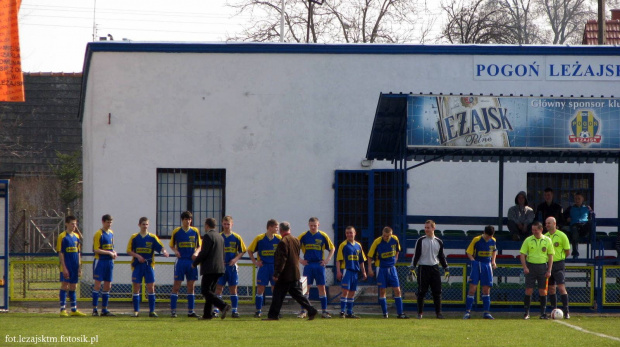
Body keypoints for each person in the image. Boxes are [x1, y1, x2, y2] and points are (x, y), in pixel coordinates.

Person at [264, 221, 318, 320]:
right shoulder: (296, 240)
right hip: (295, 273)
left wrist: (277, 273)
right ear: (289, 229)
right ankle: (311, 310)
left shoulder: (283, 241)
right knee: (298, 295)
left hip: (285, 274)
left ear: (280, 230)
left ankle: (273, 315)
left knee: (277, 295)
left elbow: (282, 259)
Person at [126, 217, 169, 317]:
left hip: (149, 266)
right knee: (136, 287)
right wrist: (138, 256)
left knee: (151, 287)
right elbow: (129, 251)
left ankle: (152, 311)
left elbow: (160, 246)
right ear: (139, 225)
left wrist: (164, 251)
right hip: (137, 266)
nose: (145, 226)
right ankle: (136, 311)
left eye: (146, 224)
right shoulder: (134, 237)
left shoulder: (152, 237)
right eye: (143, 224)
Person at [192, 217, 232, 320]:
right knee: (210, 292)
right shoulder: (220, 237)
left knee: (205, 291)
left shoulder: (208, 236)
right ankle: (207, 315)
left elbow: (204, 252)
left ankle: (223, 306)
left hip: (210, 268)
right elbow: (222, 253)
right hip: (219, 268)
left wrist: (195, 263)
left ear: (207, 225)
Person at [411, 220, 449, 319]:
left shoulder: (439, 241)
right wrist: (412, 267)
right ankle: (420, 313)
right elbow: (416, 255)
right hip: (423, 268)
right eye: (425, 228)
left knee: (437, 291)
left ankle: (438, 313)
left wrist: (446, 268)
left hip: (434, 268)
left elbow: (441, 256)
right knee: (421, 292)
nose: (426, 230)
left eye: (428, 227)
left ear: (433, 228)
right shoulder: (421, 240)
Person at [297, 217, 335, 318]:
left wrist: (327, 260)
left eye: (315, 225)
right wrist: (300, 260)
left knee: (322, 288)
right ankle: (303, 311)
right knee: (305, 289)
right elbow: (293, 248)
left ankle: (324, 311)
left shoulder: (323, 235)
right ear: (308, 225)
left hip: (319, 265)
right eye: (311, 225)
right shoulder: (304, 236)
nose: (313, 227)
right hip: (308, 265)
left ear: (318, 225)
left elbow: (332, 248)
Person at [367, 226, 408, 319]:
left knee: (397, 289)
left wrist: (395, 260)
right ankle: (385, 313)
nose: (387, 237)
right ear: (382, 234)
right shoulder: (377, 242)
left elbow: (398, 250)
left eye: (388, 236)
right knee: (382, 290)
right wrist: (369, 268)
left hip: (391, 268)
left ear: (391, 234)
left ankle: (400, 313)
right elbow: (369, 256)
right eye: (385, 236)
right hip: (381, 268)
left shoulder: (395, 239)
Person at [169, 211, 202, 318]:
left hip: (191, 262)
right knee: (176, 285)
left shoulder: (195, 231)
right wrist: (176, 251)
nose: (187, 221)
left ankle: (191, 311)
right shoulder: (177, 232)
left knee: (191, 286)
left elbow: (199, 246)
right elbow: (171, 245)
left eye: (189, 219)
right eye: (185, 219)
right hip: (181, 261)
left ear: (191, 220)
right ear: (182, 220)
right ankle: (173, 311)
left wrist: (196, 253)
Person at [519, 221, 555, 319]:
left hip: (542, 267)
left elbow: (550, 255)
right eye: (532, 230)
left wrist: (549, 270)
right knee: (529, 289)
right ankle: (526, 313)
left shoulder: (547, 240)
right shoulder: (528, 240)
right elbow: (522, 254)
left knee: (543, 290)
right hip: (531, 267)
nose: (534, 232)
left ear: (541, 229)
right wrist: (525, 267)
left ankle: (543, 313)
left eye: (536, 230)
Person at [247, 219, 282, 318]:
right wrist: (255, 262)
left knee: (275, 290)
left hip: (274, 267)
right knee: (260, 289)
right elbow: (250, 250)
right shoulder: (259, 238)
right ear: (270, 227)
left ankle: (276, 311)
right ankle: (258, 310)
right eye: (276, 227)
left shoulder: (279, 238)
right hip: (264, 267)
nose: (277, 229)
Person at [214, 215, 246, 318]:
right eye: (225, 224)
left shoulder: (236, 237)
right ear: (222, 224)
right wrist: (218, 260)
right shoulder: (218, 236)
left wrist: (235, 259)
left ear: (232, 225)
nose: (226, 226)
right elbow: (213, 251)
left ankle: (234, 310)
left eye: (228, 224)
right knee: (218, 288)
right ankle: (216, 310)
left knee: (233, 289)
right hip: (221, 267)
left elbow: (242, 251)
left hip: (232, 267)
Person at [463, 225, 497, 320]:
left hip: (487, 265)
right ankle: (467, 312)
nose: (488, 238)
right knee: (472, 288)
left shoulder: (493, 240)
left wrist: (493, 261)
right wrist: (473, 261)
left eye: (490, 236)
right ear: (484, 233)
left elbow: (494, 251)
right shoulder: (476, 239)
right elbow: (469, 252)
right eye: (487, 236)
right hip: (477, 264)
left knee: (486, 289)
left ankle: (486, 312)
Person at [57, 215, 86, 317]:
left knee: (73, 286)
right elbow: (61, 253)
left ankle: (74, 309)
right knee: (65, 285)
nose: (74, 226)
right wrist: (64, 267)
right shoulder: (62, 236)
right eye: (72, 224)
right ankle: (62, 309)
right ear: (67, 224)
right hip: (66, 265)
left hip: (74, 266)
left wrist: (79, 267)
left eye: (75, 224)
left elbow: (78, 253)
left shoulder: (77, 236)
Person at [336, 226, 367, 319]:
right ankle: (342, 311)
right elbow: (338, 260)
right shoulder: (343, 245)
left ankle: (349, 312)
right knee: (345, 291)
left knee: (352, 292)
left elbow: (361, 260)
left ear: (355, 233)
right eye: (347, 233)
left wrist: (364, 272)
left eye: (351, 232)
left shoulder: (358, 245)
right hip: (347, 270)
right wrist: (338, 271)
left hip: (355, 272)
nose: (349, 234)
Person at [544, 217, 571, 319]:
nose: (547, 225)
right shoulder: (545, 237)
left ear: (554, 223)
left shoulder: (562, 235)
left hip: (559, 264)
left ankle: (566, 311)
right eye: (546, 223)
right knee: (551, 289)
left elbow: (567, 251)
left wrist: (559, 258)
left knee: (561, 287)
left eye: (549, 223)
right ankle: (554, 310)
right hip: (548, 264)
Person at [92, 214, 117, 316]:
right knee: (98, 285)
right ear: (103, 222)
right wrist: (109, 253)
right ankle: (94, 309)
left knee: (108, 285)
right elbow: (96, 249)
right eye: (107, 222)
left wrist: (114, 252)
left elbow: (111, 248)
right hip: (100, 261)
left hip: (109, 262)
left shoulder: (111, 233)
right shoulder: (99, 234)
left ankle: (104, 309)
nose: (109, 224)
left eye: (111, 222)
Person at [564, 192, 593, 259]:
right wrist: (567, 218)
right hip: (575, 226)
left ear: (582, 199)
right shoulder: (570, 208)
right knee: (574, 230)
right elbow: (564, 216)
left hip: (584, 226)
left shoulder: (587, 208)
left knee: (590, 224)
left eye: (579, 199)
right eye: (576, 199)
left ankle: (592, 240)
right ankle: (575, 252)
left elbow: (592, 215)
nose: (577, 200)